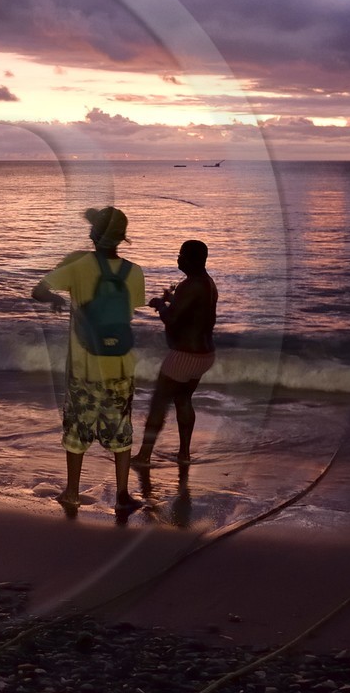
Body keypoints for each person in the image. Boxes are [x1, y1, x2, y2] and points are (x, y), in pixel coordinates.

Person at [30, 206, 147, 514]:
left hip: (85, 367)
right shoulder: (134, 272)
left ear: (92, 234)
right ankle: (122, 494)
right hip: (121, 365)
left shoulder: (78, 264)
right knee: (121, 430)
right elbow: (129, 312)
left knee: (77, 430)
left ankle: (71, 493)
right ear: (122, 238)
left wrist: (57, 299)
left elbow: (38, 290)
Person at [135, 239, 218, 499]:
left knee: (158, 404)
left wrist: (160, 305)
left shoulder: (188, 285)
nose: (177, 259)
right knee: (183, 400)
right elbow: (193, 313)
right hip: (205, 355)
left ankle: (144, 456)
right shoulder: (207, 283)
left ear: (192, 259)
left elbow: (172, 320)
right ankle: (184, 454)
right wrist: (172, 299)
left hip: (184, 355)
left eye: (181, 255)